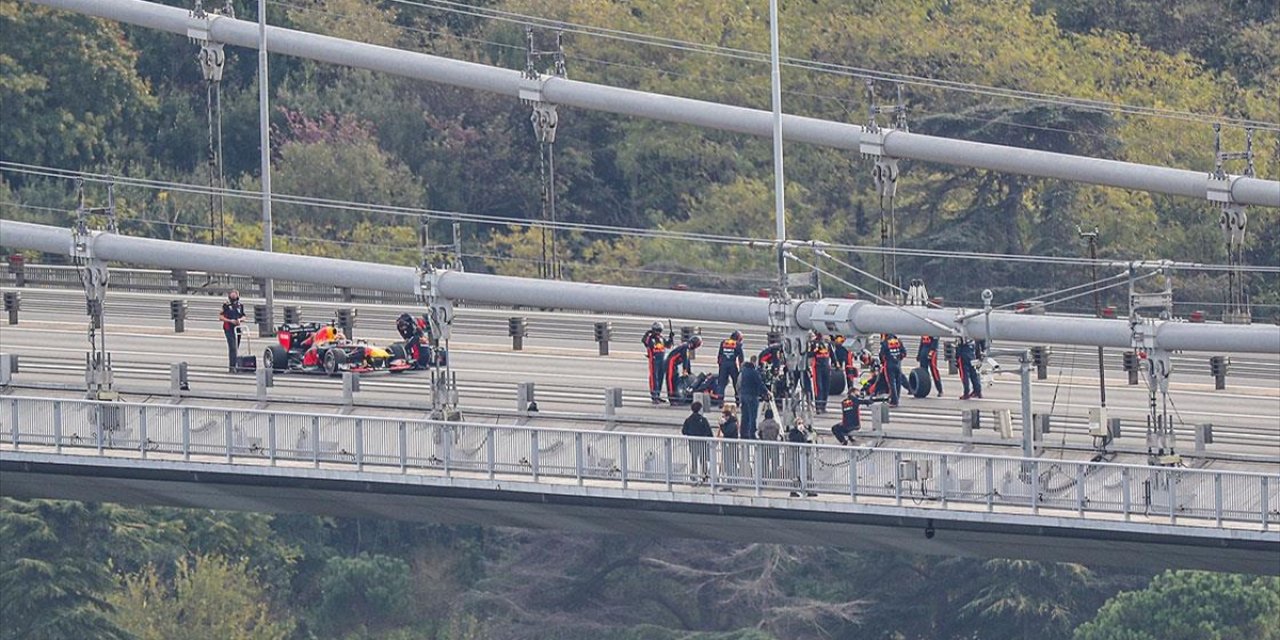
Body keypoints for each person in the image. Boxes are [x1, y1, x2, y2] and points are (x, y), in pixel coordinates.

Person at [681, 401, 713, 483]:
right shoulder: (703, 420)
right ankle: (705, 476)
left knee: (694, 460)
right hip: (702, 443)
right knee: (703, 460)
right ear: (700, 409)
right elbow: (709, 432)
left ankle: (693, 477)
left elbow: (684, 431)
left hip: (692, 443)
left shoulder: (688, 420)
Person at [665, 336, 702, 402]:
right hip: (670, 362)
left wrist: (689, 371)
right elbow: (685, 359)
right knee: (670, 379)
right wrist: (685, 371)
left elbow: (687, 360)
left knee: (675, 379)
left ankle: (675, 396)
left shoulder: (688, 346)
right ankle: (671, 398)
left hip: (675, 364)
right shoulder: (686, 347)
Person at [642, 321, 672, 404]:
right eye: (656, 330)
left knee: (660, 378)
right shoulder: (650, 338)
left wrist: (670, 338)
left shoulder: (662, 338)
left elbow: (668, 346)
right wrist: (648, 333)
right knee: (654, 378)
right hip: (654, 360)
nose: (658, 332)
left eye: (659, 330)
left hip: (662, 360)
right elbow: (644, 341)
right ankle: (654, 396)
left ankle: (658, 395)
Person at [737, 356, 765, 440]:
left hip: (743, 395)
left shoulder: (743, 372)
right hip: (752, 396)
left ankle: (743, 433)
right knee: (753, 415)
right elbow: (759, 383)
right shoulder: (754, 372)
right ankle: (751, 433)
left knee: (745, 415)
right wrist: (766, 392)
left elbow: (738, 384)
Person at [218, 290, 245, 372]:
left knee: (236, 347)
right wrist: (230, 320)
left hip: (237, 328)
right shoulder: (226, 305)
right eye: (232, 296)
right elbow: (220, 317)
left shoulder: (240, 305)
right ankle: (232, 367)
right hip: (228, 328)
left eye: (235, 296)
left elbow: (244, 316)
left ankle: (235, 364)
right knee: (232, 347)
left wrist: (240, 320)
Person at [806, 331, 833, 413]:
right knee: (819, 387)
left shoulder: (828, 343)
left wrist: (836, 363)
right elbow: (808, 354)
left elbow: (832, 354)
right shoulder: (814, 343)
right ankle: (818, 407)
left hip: (826, 367)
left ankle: (824, 406)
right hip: (817, 367)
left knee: (826, 387)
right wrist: (815, 350)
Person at [716, 330, 745, 402]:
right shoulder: (737, 344)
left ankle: (720, 401)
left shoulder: (723, 342)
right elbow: (741, 358)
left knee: (721, 384)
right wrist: (741, 369)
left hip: (723, 364)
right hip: (732, 364)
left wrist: (720, 366)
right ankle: (738, 400)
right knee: (736, 383)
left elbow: (719, 355)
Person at [879, 333, 907, 407]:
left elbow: (881, 354)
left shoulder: (885, 342)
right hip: (898, 364)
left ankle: (894, 401)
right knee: (898, 382)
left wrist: (884, 362)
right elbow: (904, 353)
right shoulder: (898, 341)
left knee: (891, 383)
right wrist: (898, 359)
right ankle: (896, 398)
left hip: (889, 364)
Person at [717, 404, 741, 483]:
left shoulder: (732, 424)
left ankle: (733, 480)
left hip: (731, 447)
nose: (723, 418)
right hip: (728, 446)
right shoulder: (731, 423)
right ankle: (730, 480)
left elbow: (727, 432)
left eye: (724, 417)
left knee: (731, 464)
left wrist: (722, 425)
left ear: (727, 417)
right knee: (728, 464)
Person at [757, 407, 782, 478]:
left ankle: (764, 478)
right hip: (774, 445)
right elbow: (778, 434)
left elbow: (759, 434)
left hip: (764, 446)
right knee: (775, 463)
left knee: (764, 464)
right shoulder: (777, 425)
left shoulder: (761, 425)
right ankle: (775, 477)